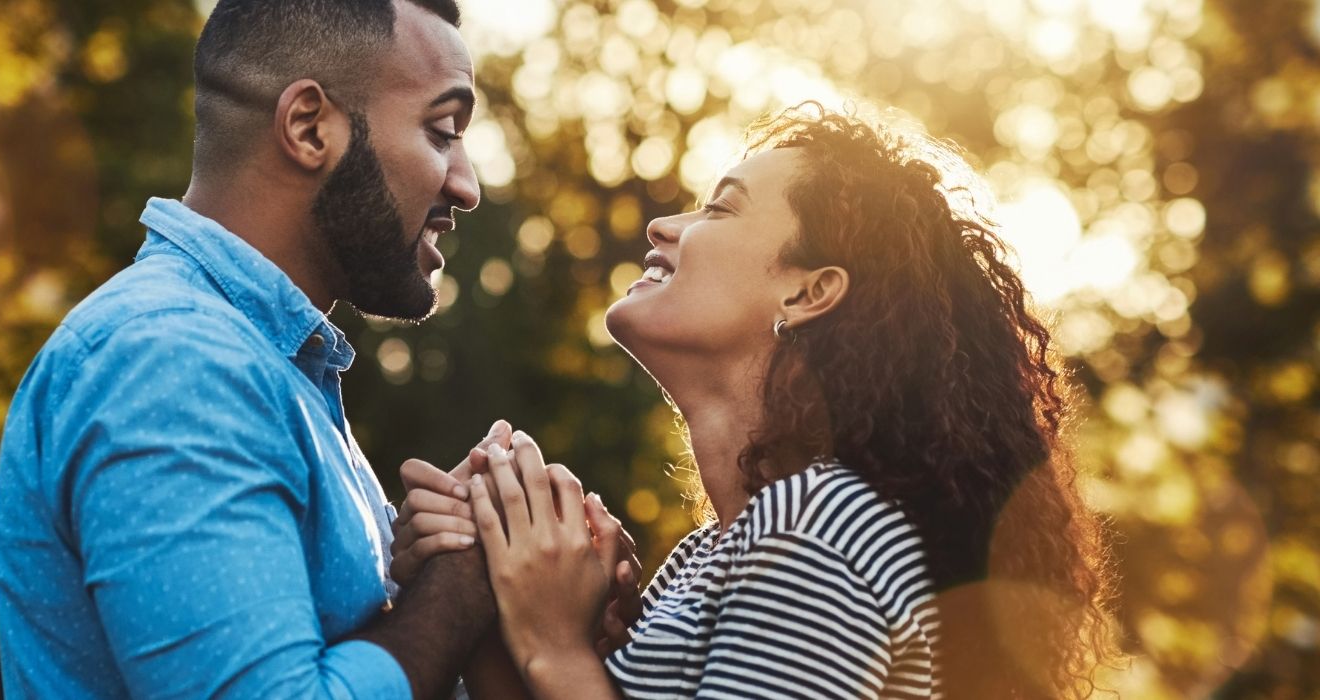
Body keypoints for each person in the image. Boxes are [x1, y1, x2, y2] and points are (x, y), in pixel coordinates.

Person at [396, 104, 1122, 698]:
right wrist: (491, 580)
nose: (664, 227)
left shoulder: (818, 527)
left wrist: (553, 644)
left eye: (720, 209)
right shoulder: (710, 556)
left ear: (809, 293)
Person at [0, 0, 510, 697]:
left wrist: (432, 571)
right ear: (307, 127)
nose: (467, 186)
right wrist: (459, 585)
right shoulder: (173, 362)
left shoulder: (269, 367)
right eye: (442, 131)